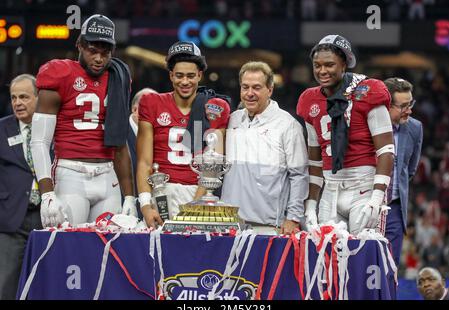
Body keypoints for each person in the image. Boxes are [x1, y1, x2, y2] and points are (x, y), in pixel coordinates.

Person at [30, 14, 137, 228]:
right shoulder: (60, 73)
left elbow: (120, 141)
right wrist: (48, 193)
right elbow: (39, 141)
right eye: (92, 51)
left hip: (108, 175)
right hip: (71, 173)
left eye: (105, 53)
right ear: (79, 45)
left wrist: (130, 197)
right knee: (68, 248)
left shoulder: (118, 77)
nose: (99, 58)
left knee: (107, 251)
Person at [296, 35, 394, 235]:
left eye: (329, 64)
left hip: (363, 186)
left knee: (364, 254)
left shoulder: (368, 90)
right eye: (317, 65)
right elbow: (315, 160)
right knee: (329, 257)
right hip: (330, 189)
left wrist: (376, 198)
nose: (322, 71)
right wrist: (311, 204)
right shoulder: (309, 99)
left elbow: (386, 150)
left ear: (344, 65)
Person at [136, 41, 231, 229]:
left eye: (190, 76)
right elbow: (144, 162)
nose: (185, 82)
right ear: (171, 75)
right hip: (161, 192)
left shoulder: (215, 107)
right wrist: (146, 206)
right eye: (179, 76)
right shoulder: (151, 102)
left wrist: (194, 206)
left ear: (200, 75)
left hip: (200, 192)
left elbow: (213, 164)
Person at [221, 61, 309, 235]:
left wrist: (293, 218)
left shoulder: (288, 125)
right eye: (245, 87)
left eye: (256, 87)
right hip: (229, 225)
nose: (249, 93)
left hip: (268, 227)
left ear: (270, 89)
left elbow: (299, 175)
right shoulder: (232, 120)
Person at [0, 74, 42, 299]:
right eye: (14, 97)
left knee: (45, 282)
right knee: (4, 286)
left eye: (24, 97)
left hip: (47, 218)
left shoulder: (54, 128)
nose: (17, 103)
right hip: (11, 219)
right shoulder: (1, 129)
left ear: (38, 97)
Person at [383, 77, 423, 266]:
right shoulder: (366, 124)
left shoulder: (415, 128)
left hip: (395, 208)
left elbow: (410, 169)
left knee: (391, 266)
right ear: (386, 105)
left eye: (411, 103)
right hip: (365, 204)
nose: (410, 110)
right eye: (404, 106)